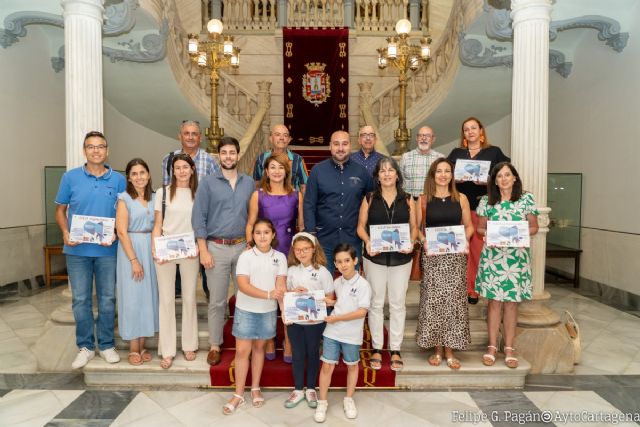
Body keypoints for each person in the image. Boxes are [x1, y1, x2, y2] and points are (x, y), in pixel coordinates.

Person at [55, 131, 126, 369]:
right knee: (81, 300)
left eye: (100, 146)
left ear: (107, 150)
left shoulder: (118, 180)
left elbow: (123, 214)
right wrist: (65, 232)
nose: (96, 150)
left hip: (107, 251)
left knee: (107, 299)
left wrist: (116, 231)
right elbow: (60, 211)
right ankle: (85, 347)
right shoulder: (70, 178)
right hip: (77, 252)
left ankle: (106, 344)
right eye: (91, 147)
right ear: (84, 150)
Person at [192, 137, 255, 366]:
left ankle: (242, 340)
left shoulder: (249, 183)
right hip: (215, 247)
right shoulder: (207, 183)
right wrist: (203, 249)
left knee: (244, 298)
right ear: (219, 156)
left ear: (238, 155)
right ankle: (215, 344)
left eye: (232, 152)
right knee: (217, 300)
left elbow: (253, 215)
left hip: (242, 248)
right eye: (224, 153)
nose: (228, 156)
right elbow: (198, 217)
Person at [475, 162, 539, 369]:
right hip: (494, 259)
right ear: (494, 180)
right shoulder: (486, 201)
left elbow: (534, 227)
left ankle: (509, 347)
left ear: (514, 178)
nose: (503, 179)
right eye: (499, 176)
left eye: (507, 175)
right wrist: (494, 234)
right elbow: (479, 228)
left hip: (516, 259)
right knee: (494, 303)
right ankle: (492, 346)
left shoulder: (526, 199)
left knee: (512, 304)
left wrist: (515, 234)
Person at [356, 156, 417, 372]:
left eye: (391, 170)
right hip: (375, 258)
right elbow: (361, 227)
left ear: (397, 175)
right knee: (376, 303)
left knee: (398, 303)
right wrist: (368, 241)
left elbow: (414, 228)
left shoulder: (409, 199)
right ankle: (376, 348)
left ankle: (396, 349)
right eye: (383, 171)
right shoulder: (370, 198)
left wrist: (411, 242)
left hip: (401, 259)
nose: (387, 174)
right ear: (378, 176)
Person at [222, 218, 287, 415]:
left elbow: (281, 286)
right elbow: (243, 285)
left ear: (273, 235)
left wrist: (284, 310)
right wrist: (268, 295)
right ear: (253, 236)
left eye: (266, 232)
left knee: (259, 349)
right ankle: (238, 394)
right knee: (242, 351)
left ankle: (255, 388)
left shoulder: (280, 257)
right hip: (246, 310)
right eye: (257, 232)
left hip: (267, 312)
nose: (262, 236)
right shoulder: (246, 256)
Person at [415, 158, 474, 369]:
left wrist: (465, 241)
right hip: (432, 258)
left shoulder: (462, 198)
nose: (443, 175)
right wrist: (424, 242)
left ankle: (450, 349)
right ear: (432, 175)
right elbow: (416, 229)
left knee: (453, 303)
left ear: (452, 175)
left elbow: (469, 226)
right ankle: (437, 349)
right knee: (434, 302)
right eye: (438, 171)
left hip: (455, 258)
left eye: (447, 171)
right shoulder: (422, 200)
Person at [246, 153, 303, 363]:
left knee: (286, 296)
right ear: (266, 171)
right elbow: (251, 224)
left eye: (281, 167)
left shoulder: (296, 195)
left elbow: (302, 226)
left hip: (288, 250)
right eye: (272, 167)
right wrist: (251, 248)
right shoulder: (258, 195)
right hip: (264, 249)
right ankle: (269, 338)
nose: (277, 171)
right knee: (269, 294)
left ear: (286, 172)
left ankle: (288, 340)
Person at [447, 117, 509, 304]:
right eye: (466, 129)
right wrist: (454, 179)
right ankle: (460, 288)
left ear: (481, 130)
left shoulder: (494, 152)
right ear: (463, 134)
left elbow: (506, 173)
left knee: (477, 250)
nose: (470, 132)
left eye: (474, 128)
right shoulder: (456, 152)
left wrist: (488, 180)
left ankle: (474, 289)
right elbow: (443, 174)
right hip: (458, 208)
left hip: (482, 208)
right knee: (459, 250)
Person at [161, 120, 221, 299]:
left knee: (204, 253)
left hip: (204, 217)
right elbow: (165, 187)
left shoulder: (210, 160)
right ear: (180, 136)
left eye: (194, 134)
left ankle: (208, 289)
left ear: (200, 137)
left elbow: (216, 189)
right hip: (177, 217)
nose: (190, 137)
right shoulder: (168, 159)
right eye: (186, 133)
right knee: (178, 251)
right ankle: (177, 289)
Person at [152, 154, 200, 369]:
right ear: (172, 170)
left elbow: (201, 224)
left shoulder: (198, 193)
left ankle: (189, 345)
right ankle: (168, 349)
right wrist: (155, 246)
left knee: (189, 297)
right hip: (166, 249)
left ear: (192, 169)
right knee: (167, 299)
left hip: (190, 249)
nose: (181, 171)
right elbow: (158, 223)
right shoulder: (162, 193)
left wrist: (199, 245)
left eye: (185, 167)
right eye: (177, 167)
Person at [314, 243, 371, 423]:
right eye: (339, 262)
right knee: (327, 366)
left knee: (352, 366)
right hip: (332, 331)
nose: (343, 265)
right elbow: (340, 303)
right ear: (335, 264)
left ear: (355, 260)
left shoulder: (363, 285)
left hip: (351, 334)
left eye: (347, 260)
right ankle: (322, 402)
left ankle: (348, 399)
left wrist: (337, 318)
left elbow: (362, 312)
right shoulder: (337, 282)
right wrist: (330, 304)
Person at [304, 130, 373, 272]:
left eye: (345, 144)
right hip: (324, 240)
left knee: (352, 288)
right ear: (330, 146)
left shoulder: (362, 172)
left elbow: (371, 203)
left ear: (350, 146)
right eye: (336, 144)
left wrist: (368, 233)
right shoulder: (318, 171)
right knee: (324, 285)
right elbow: (309, 204)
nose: (340, 148)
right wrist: (311, 234)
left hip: (352, 239)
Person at [283, 232, 334, 409]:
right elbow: (285, 294)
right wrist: (294, 292)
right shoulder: (291, 271)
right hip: (295, 321)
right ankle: (298, 389)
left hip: (315, 322)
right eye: (298, 250)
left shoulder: (323, 271)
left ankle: (311, 388)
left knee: (312, 352)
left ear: (313, 249)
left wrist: (313, 296)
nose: (302, 253)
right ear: (293, 251)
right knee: (297, 353)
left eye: (305, 249)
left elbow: (330, 297)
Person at [115, 158, 158, 365]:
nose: (139, 177)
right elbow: (121, 232)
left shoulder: (155, 197)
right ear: (129, 178)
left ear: (148, 175)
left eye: (142, 172)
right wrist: (134, 260)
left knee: (147, 297)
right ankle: (133, 347)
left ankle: (142, 345)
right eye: (134, 174)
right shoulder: (124, 198)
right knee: (133, 298)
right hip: (131, 249)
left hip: (150, 248)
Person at [253, 123, 308, 193]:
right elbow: (257, 185)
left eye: (285, 135)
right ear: (270, 138)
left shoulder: (298, 160)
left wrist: (302, 203)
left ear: (289, 139)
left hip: (292, 201)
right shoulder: (261, 159)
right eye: (277, 134)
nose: (282, 138)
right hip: (267, 202)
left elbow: (304, 187)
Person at [400, 126, 444, 198]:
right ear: (416, 138)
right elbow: (400, 181)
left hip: (432, 201)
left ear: (433, 139)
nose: (423, 138)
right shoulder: (406, 157)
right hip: (410, 202)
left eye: (427, 136)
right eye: (420, 135)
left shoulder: (440, 158)